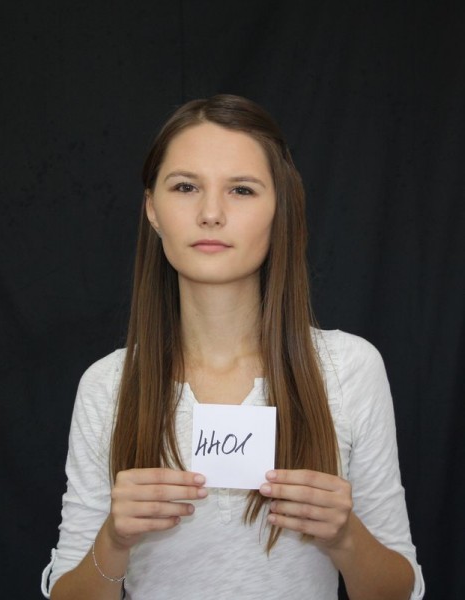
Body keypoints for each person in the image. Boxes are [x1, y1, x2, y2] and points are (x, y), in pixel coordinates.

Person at [42, 94, 425, 600]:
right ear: (152, 209)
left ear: (280, 208)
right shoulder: (107, 385)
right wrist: (114, 539)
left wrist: (345, 537)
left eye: (241, 190)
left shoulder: (349, 369)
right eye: (185, 187)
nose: (210, 213)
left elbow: (400, 588)